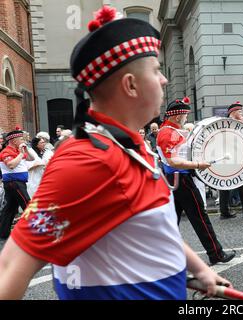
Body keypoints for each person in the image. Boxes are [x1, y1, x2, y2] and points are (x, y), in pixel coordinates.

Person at [0, 6, 230, 299]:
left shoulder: (130, 146)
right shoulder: (87, 160)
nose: (164, 80)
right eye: (156, 70)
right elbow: (11, 267)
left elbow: (155, 226)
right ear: (131, 85)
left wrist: (199, 269)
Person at [157, 97, 235, 265]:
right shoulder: (167, 132)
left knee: (171, 221)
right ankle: (216, 253)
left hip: (176, 180)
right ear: (178, 117)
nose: (186, 118)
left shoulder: (170, 130)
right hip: (180, 179)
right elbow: (173, 161)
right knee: (199, 217)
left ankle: (164, 258)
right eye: (185, 115)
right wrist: (198, 164)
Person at [0, 129, 35, 240]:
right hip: (14, 183)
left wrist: (25, 151)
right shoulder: (6, 151)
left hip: (18, 183)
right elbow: (11, 165)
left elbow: (31, 158)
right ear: (14, 141)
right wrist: (20, 154)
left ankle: (3, 233)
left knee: (10, 208)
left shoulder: (17, 150)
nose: (23, 140)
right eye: (21, 139)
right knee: (27, 204)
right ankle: (33, 232)